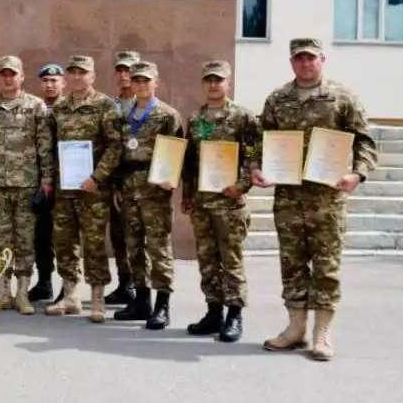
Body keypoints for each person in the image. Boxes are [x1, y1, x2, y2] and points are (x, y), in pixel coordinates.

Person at [255, 38, 377, 361]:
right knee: (292, 264)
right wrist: (258, 169)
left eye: (311, 58)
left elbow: (365, 141)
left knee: (326, 267)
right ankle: (295, 328)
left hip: (327, 199)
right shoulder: (277, 99)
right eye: (299, 59)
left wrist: (357, 174)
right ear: (291, 62)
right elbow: (261, 141)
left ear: (322, 59)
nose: (305, 64)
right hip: (289, 199)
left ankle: (322, 333)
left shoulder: (342, 98)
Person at [180, 60, 259, 343]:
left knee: (231, 260)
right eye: (209, 80)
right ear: (203, 84)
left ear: (229, 83)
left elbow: (254, 155)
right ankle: (213, 312)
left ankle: (234, 315)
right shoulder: (195, 118)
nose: (214, 85)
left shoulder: (243, 117)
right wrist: (187, 194)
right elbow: (190, 161)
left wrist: (242, 185)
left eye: (219, 80)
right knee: (208, 260)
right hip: (202, 202)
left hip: (229, 202)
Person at [0, 55, 55, 315]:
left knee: (25, 240)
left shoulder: (36, 106)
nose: (8, 78)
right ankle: (3, 293)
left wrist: (47, 180)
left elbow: (45, 146)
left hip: (27, 185)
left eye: (13, 74)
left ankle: (22, 293)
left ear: (21, 76)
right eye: (4, 74)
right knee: (0, 239)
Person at [45, 55, 118, 323]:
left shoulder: (105, 105)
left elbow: (115, 145)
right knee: (65, 242)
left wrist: (97, 177)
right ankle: (70, 295)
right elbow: (52, 146)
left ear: (93, 76)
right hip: (66, 188)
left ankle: (97, 298)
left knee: (95, 243)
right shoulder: (60, 107)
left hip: (93, 189)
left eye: (82, 72)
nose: (77, 77)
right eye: (72, 72)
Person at [111, 61, 183, 331]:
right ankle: (141, 300)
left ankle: (162, 305)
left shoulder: (167, 115)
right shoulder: (125, 114)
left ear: (156, 83)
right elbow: (119, 153)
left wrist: (171, 182)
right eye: (137, 80)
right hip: (129, 189)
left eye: (146, 80)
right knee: (134, 246)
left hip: (155, 191)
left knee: (158, 248)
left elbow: (177, 150)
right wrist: (118, 185)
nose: (141, 85)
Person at [105, 50, 141, 305]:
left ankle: (142, 289)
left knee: (140, 238)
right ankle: (125, 283)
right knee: (118, 235)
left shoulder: (150, 106)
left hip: (143, 184)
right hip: (116, 181)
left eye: (128, 70)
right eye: (119, 70)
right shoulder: (111, 106)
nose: (123, 75)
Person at [29, 63, 65, 302]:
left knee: (65, 236)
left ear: (62, 83)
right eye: (45, 81)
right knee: (40, 234)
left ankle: (67, 286)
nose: (50, 85)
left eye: (54, 80)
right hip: (39, 180)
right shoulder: (34, 108)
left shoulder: (70, 108)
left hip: (65, 182)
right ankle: (44, 282)